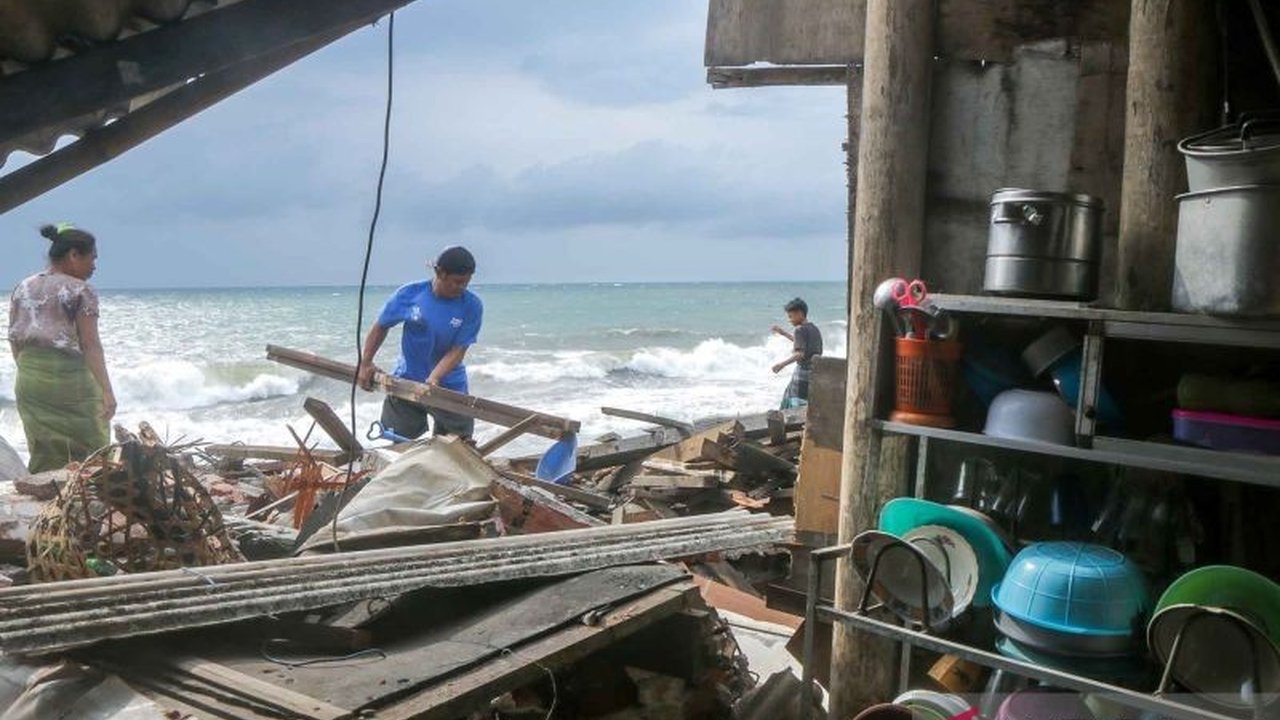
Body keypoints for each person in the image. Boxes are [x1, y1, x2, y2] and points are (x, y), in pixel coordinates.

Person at [8, 224, 115, 473]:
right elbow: (90, 344)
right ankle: (89, 495)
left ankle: (47, 493)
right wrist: (107, 391)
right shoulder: (81, 290)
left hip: (29, 379)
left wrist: (30, 371)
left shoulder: (23, 286)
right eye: (92, 258)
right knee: (93, 448)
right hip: (72, 381)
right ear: (74, 255)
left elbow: (14, 338)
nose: (94, 266)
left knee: (44, 450)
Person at [357, 246, 483, 439]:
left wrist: (435, 378)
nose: (462, 288)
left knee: (457, 448)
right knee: (398, 444)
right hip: (406, 381)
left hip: (449, 386)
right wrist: (365, 363)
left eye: (466, 282)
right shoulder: (410, 294)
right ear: (440, 273)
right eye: (457, 282)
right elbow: (381, 326)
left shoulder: (472, 305)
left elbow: (458, 350)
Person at [771, 297, 823, 408]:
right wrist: (784, 333)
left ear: (799, 313)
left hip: (802, 375)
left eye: (791, 316)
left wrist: (781, 365)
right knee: (806, 406)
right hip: (814, 374)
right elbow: (802, 344)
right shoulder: (814, 328)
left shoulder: (799, 329)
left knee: (794, 406)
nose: (789, 320)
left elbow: (800, 354)